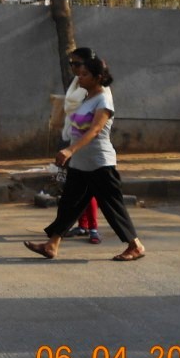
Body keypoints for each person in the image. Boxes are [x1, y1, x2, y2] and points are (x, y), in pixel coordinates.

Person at [24, 55, 146, 262]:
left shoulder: (103, 100)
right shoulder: (87, 98)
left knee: (112, 205)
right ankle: (52, 245)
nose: (79, 77)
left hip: (100, 163)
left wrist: (70, 150)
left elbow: (95, 130)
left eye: (85, 74)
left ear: (98, 77)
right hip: (81, 164)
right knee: (69, 204)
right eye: (79, 74)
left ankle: (135, 246)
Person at [61, 47, 101, 244]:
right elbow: (72, 109)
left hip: (90, 144)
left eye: (77, 64)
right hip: (75, 139)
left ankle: (93, 228)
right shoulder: (78, 83)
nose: (74, 69)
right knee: (77, 188)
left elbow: (95, 125)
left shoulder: (96, 89)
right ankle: (83, 225)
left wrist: (73, 148)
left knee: (91, 189)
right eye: (72, 64)